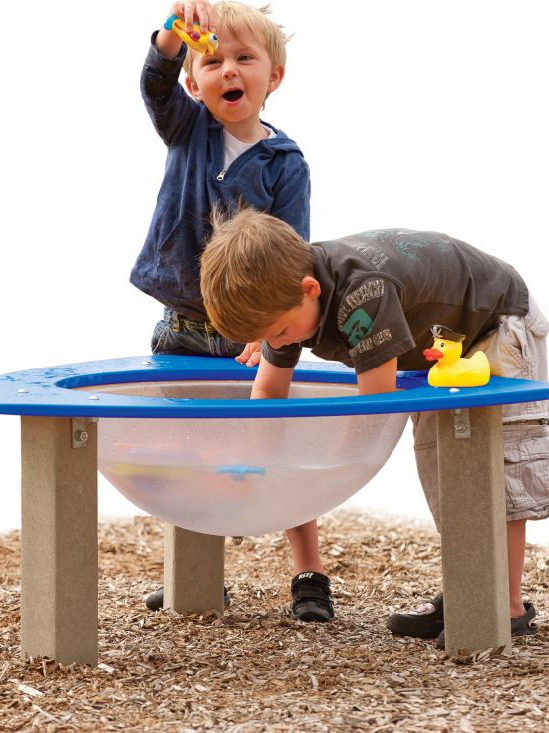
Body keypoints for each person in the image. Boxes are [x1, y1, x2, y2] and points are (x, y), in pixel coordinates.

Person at [199, 207, 549, 645]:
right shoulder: (286, 302)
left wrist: (328, 473)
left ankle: (505, 605)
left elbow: (374, 405)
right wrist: (258, 465)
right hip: (444, 350)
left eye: (279, 333)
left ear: (309, 290)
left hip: (498, 325)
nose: (277, 344)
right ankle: (471, 589)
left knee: (493, 467)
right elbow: (269, 392)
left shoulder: (362, 294)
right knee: (446, 469)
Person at [137, 2, 324, 620]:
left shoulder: (284, 163)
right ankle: (197, 573)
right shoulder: (187, 129)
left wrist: (266, 333)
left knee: (276, 438)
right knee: (188, 449)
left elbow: (291, 252)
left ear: (274, 77)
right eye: (212, 61)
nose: (228, 70)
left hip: (252, 332)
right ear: (195, 82)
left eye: (245, 59)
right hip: (182, 325)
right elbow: (154, 83)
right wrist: (170, 37)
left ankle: (308, 573)